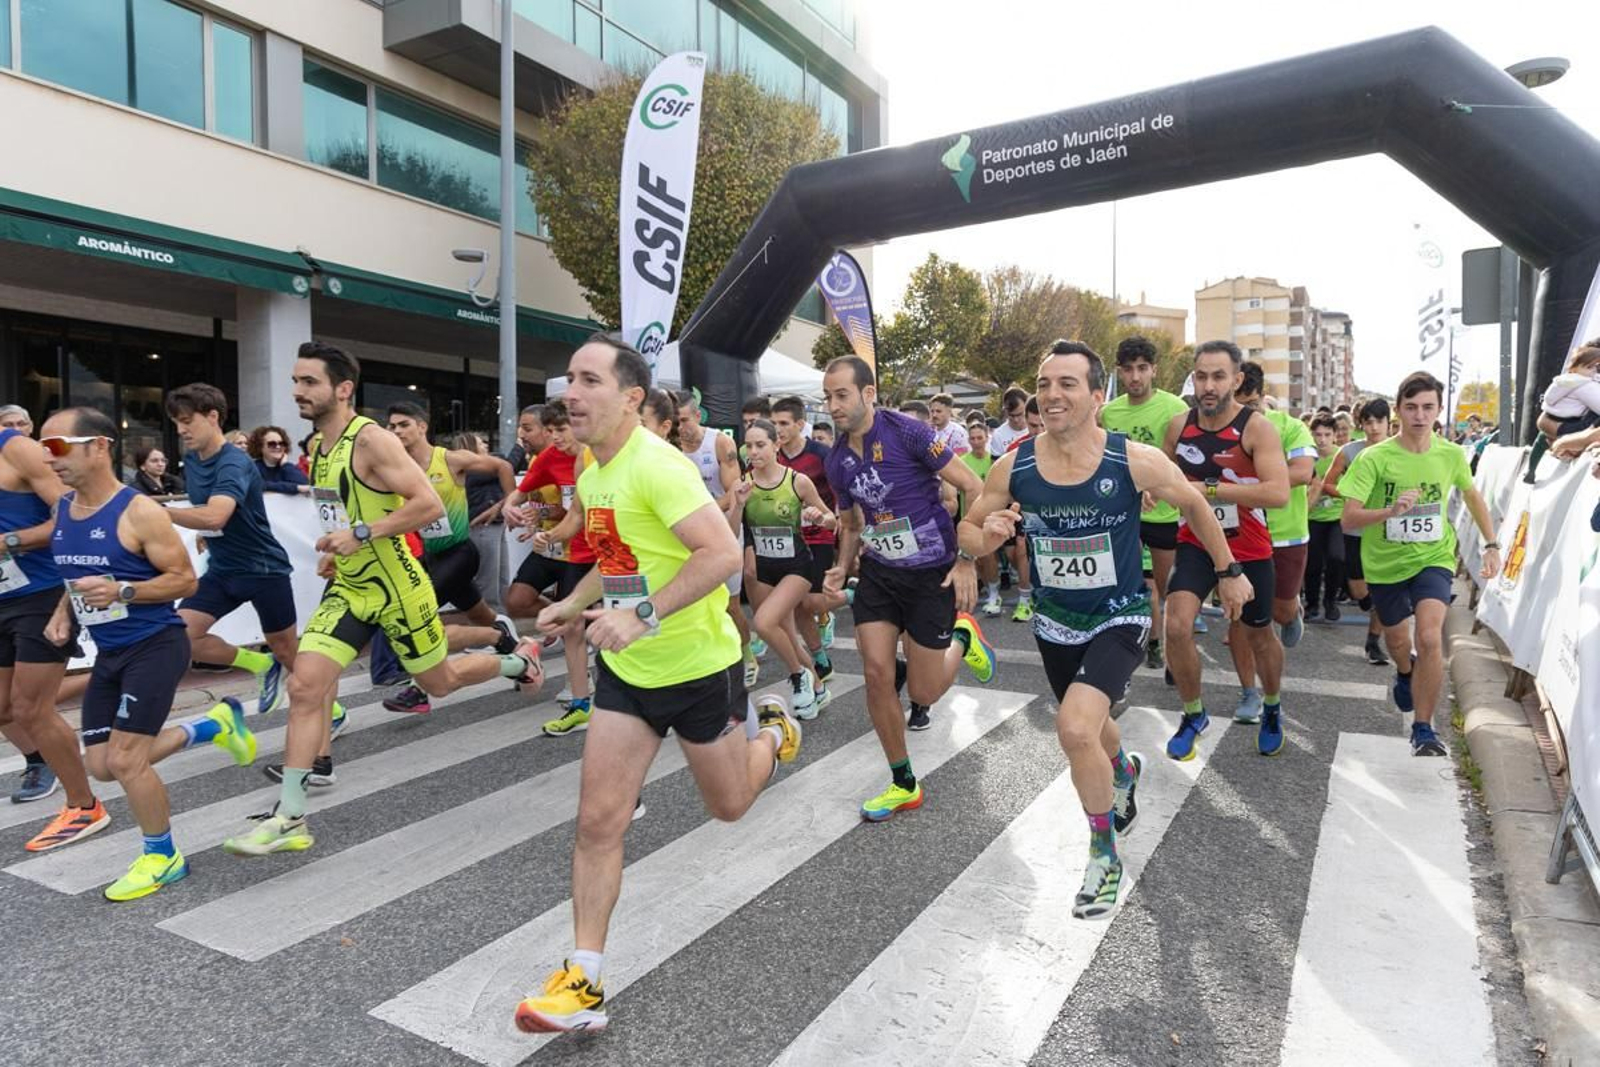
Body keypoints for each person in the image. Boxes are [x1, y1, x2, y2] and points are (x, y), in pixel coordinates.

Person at [510, 336, 801, 1036]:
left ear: (632, 398)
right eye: (569, 380)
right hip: (628, 677)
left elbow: (722, 553)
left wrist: (641, 614)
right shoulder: (591, 465)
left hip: (698, 668)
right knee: (597, 821)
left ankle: (775, 733)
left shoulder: (658, 467)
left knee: (730, 805)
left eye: (589, 380)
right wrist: (574, 604)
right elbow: (616, 557)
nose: (570, 394)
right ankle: (584, 980)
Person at [221, 342, 544, 857]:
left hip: (398, 587)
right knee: (307, 686)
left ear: (343, 389)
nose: (297, 391)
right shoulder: (320, 450)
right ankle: (289, 815)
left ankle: (514, 661)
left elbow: (427, 503)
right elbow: (341, 516)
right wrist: (338, 548)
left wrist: (364, 533)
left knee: (439, 681)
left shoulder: (369, 441)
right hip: (351, 588)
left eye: (309, 382)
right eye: (296, 381)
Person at [960, 341, 1248, 919]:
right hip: (1054, 620)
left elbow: (1193, 502)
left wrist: (1229, 570)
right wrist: (982, 538)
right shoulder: (1012, 465)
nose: (1052, 395)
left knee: (1073, 730)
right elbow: (968, 532)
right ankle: (1124, 770)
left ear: (1097, 397)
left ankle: (1103, 856)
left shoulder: (1131, 459)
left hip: (1120, 614)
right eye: (1044, 384)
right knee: (1093, 731)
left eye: (1067, 384)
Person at [39, 407, 257, 900]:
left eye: (57, 446)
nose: (47, 458)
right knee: (100, 765)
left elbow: (183, 580)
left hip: (155, 646)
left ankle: (162, 857)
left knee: (127, 760)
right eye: (41, 447)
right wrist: (63, 611)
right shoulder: (63, 509)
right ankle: (213, 726)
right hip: (110, 653)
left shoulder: (139, 511)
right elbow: (74, 573)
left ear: (99, 447)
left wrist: (122, 593)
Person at [820, 355, 997, 820]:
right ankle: (903, 782)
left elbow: (974, 486)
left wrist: (965, 558)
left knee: (924, 691)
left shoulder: (908, 433)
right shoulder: (837, 459)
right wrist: (841, 567)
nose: (833, 405)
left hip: (930, 574)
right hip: (879, 573)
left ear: (868, 393)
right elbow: (851, 522)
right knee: (876, 673)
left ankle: (964, 636)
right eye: (828, 397)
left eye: (841, 395)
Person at [1338, 372, 1502, 756]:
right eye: (1411, 407)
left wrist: (1491, 543)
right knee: (1398, 641)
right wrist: (1390, 511)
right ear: (1398, 411)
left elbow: (1472, 495)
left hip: (1433, 557)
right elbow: (1348, 519)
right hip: (1384, 564)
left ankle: (1424, 728)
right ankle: (1405, 670)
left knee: (1429, 636)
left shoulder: (1449, 454)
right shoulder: (1374, 458)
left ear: (1439, 411)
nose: (1419, 415)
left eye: (1428, 407)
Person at [1160, 340, 1290, 759]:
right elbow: (1162, 477)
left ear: (1236, 380)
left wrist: (1209, 490)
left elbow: (1278, 493)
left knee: (1258, 636)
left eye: (1218, 376)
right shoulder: (1179, 427)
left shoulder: (1256, 428)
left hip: (1249, 549)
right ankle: (1193, 713)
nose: (1209, 385)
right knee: (1177, 625)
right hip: (1195, 543)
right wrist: (1151, 493)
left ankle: (1271, 705)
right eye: (1201, 376)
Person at [163, 384, 307, 724]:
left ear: (212, 417)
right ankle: (260, 665)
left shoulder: (235, 462)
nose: (181, 430)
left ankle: (332, 712)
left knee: (289, 653)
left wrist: (158, 513)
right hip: (223, 569)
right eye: (175, 423)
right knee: (181, 636)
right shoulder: (193, 460)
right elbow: (212, 514)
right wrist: (204, 531)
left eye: (186, 421)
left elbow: (216, 514)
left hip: (263, 570)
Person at [0, 411, 106, 836]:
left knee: (30, 706)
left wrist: (9, 540)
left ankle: (84, 806)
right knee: (5, 707)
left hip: (40, 594)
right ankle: (43, 759)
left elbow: (71, 513)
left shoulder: (17, 449)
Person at [377, 403, 519, 714]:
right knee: (480, 614)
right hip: (433, 556)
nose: (396, 431)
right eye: (392, 426)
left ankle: (418, 690)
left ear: (421, 427)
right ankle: (514, 649)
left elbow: (502, 467)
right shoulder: (399, 471)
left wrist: (510, 502)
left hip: (461, 552)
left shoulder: (450, 460)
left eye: (403, 425)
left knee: (419, 614)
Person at [1226, 365, 1317, 725]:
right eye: (1240, 404)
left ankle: (1292, 611)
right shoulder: (1224, 428)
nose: (1247, 413)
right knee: (1239, 617)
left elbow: (1302, 472)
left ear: (1263, 396)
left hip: (1286, 534)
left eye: (1252, 404)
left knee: (1276, 614)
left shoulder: (1290, 426)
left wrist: (1251, 481)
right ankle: (1250, 691)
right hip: (1239, 536)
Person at [503, 400, 600, 735]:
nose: (556, 437)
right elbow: (574, 513)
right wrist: (513, 511)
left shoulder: (597, 455)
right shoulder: (556, 460)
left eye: (562, 429)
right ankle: (581, 704)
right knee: (572, 627)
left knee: (638, 628)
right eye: (552, 430)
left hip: (613, 554)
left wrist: (549, 526)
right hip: (574, 553)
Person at [730, 418, 836, 717]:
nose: (754, 451)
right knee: (787, 637)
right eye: (749, 446)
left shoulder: (797, 481)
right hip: (764, 569)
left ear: (776, 445)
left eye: (761, 444)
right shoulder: (744, 484)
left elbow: (831, 519)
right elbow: (730, 531)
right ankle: (817, 688)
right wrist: (737, 505)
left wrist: (818, 517)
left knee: (763, 624)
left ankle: (798, 676)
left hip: (797, 567)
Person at [1098, 335, 1192, 670]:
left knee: (1167, 591)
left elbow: (1185, 462)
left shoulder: (1176, 409)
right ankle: (1151, 644)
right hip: (1125, 516)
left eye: (1142, 368)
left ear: (1154, 370)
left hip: (1164, 515)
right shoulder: (1108, 413)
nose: (1135, 377)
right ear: (1120, 373)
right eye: (1128, 370)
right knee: (1139, 586)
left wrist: (1156, 485)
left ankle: (1170, 641)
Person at [677, 392, 757, 684]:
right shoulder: (670, 448)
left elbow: (732, 492)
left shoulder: (720, 443)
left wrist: (700, 513)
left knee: (730, 604)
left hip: (723, 529)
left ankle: (747, 654)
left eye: (684, 419)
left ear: (698, 416)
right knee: (691, 601)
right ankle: (702, 660)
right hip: (687, 535)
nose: (680, 426)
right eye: (675, 421)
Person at [771, 396, 842, 684]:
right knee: (797, 606)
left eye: (784, 423)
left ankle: (853, 595)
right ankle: (821, 660)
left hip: (820, 536)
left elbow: (841, 496)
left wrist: (841, 529)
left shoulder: (821, 454)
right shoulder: (772, 455)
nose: (778, 429)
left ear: (800, 424)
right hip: (787, 539)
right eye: (774, 423)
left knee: (809, 602)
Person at [1318, 399, 1392, 664]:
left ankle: (1373, 643)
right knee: (1358, 587)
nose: (1373, 428)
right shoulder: (1350, 451)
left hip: (1387, 531)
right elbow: (1327, 483)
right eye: (1368, 422)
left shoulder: (1400, 451)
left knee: (1383, 589)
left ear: (1388, 423)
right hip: (1355, 529)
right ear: (1361, 425)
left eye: (1378, 422)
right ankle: (1371, 606)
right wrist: (1353, 497)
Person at [1527, 338, 1600, 482]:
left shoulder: (1570, 381)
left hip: (1573, 432)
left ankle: (1531, 470)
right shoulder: (1584, 384)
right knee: (1543, 437)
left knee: (1542, 438)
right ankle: (1531, 470)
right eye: (1591, 366)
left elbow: (1548, 403)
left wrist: (1564, 442)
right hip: (1572, 428)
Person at [1303, 414, 1346, 621]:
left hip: (1337, 517)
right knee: (1312, 564)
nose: (1322, 439)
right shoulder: (1307, 456)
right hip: (1312, 516)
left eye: (1327, 434)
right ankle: (1312, 604)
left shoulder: (1342, 456)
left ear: (1335, 435)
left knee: (1336, 557)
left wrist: (1328, 489)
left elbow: (1350, 486)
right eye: (1318, 434)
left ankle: (1330, 601)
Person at [959, 417, 1002, 615]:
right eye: (973, 438)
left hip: (992, 517)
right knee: (975, 559)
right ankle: (986, 589)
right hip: (969, 516)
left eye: (980, 438)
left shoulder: (995, 461)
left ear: (987, 438)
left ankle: (994, 593)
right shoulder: (962, 462)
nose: (976, 442)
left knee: (988, 555)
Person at [248, 425, 309, 496]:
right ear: (260, 447)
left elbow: (304, 485)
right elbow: (260, 485)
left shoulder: (289, 467)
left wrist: (285, 465)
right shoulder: (253, 468)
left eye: (282, 443)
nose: (278, 447)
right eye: (272, 444)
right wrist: (296, 488)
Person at [506, 404, 549, 474]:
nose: (521, 435)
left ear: (547, 430)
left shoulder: (562, 461)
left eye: (527, 429)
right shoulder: (535, 460)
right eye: (521, 429)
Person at [989, 387, 1031, 456]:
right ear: (1005, 410)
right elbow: (997, 465)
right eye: (1011, 415)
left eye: (1019, 414)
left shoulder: (1038, 427)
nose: (1016, 420)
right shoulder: (998, 435)